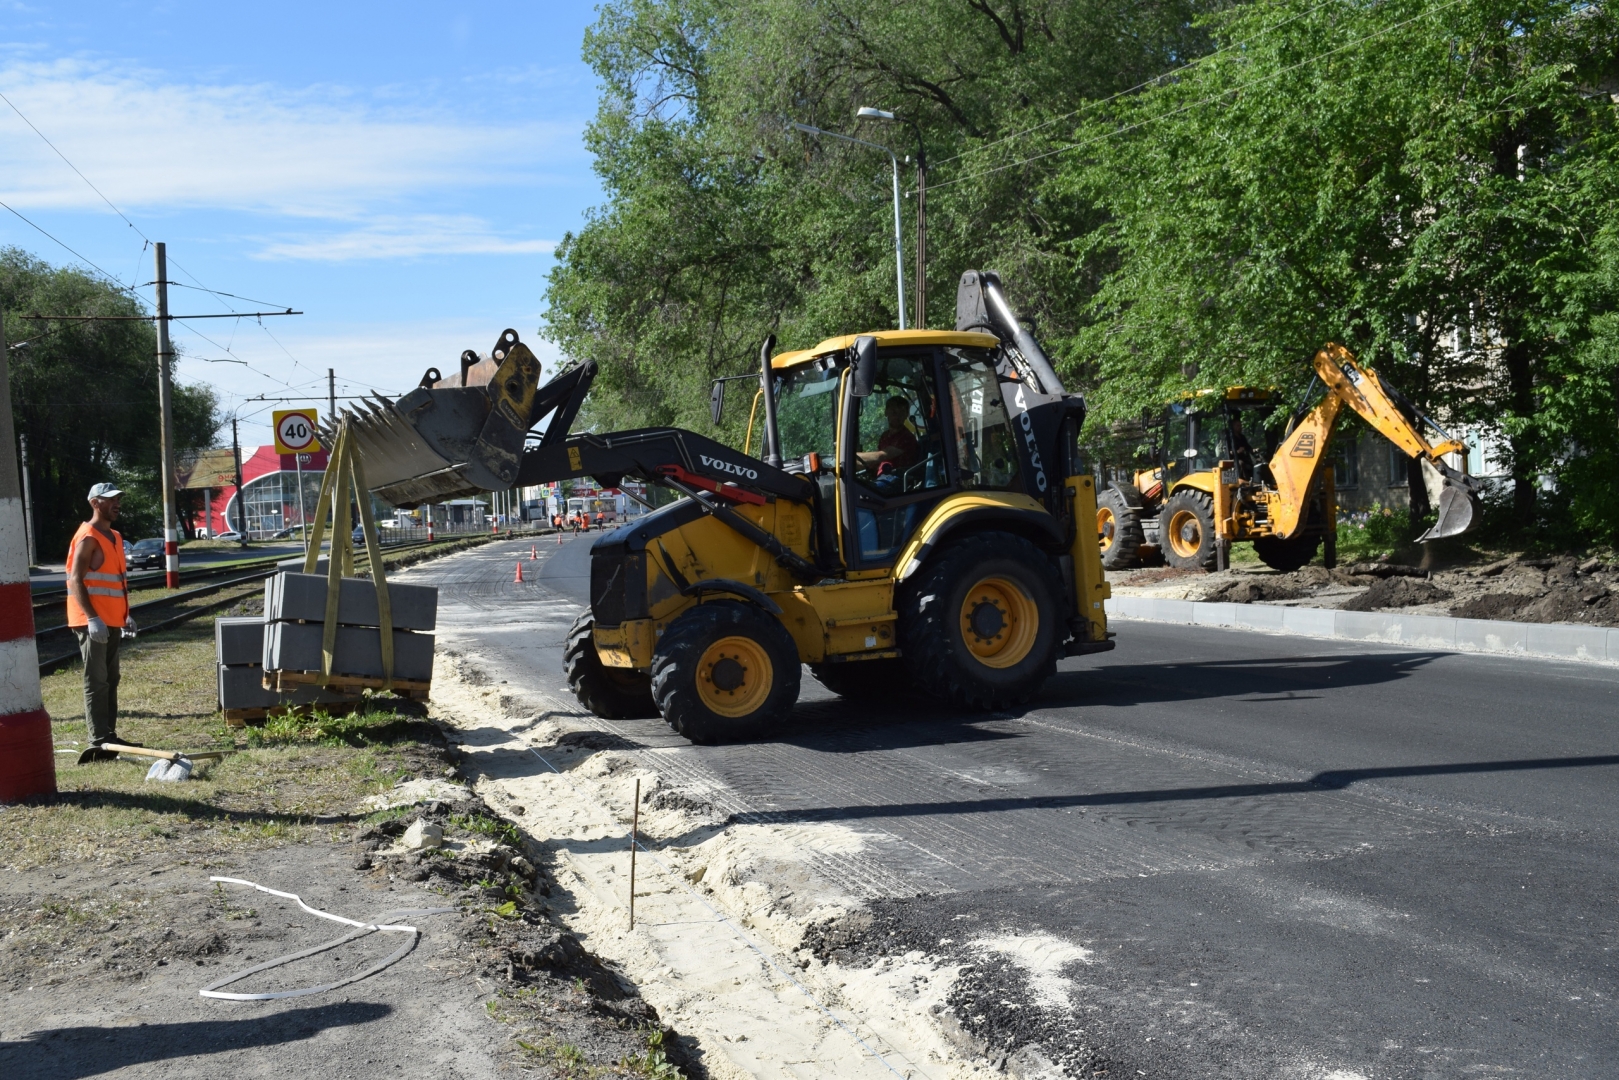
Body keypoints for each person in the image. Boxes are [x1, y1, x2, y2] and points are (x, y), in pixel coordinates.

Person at [66, 483, 136, 748]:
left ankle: (109, 735)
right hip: (91, 622)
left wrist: (125, 615)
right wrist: (93, 618)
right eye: (111, 500)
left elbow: (115, 583)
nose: (117, 503)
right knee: (97, 681)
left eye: (118, 499)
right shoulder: (88, 536)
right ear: (96, 503)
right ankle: (98, 739)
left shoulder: (115, 536)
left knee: (111, 679)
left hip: (111, 621)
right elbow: (76, 581)